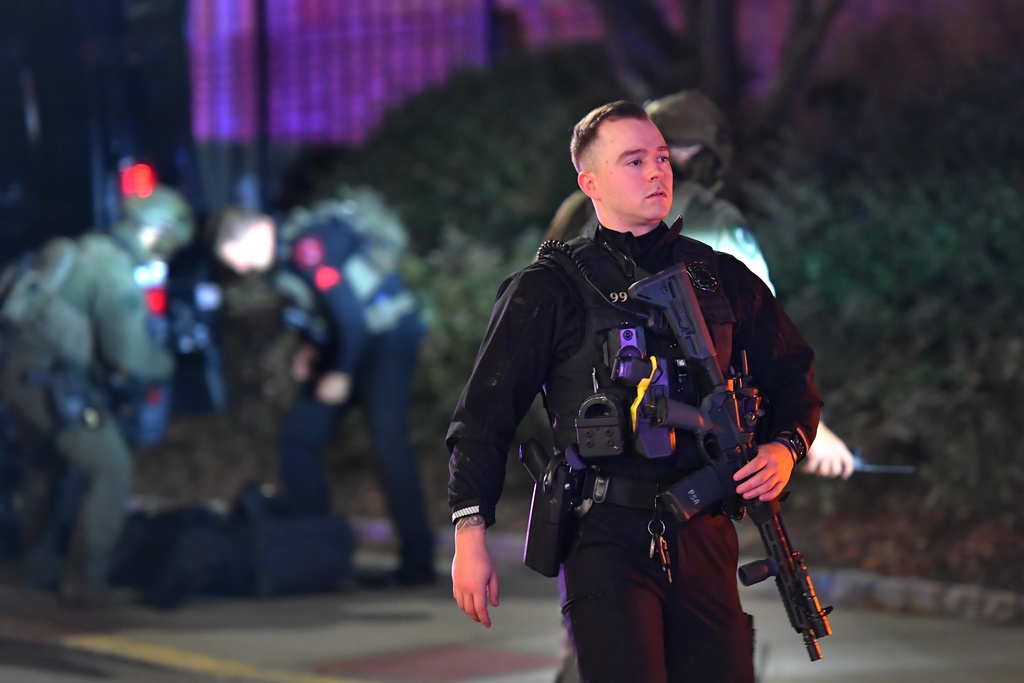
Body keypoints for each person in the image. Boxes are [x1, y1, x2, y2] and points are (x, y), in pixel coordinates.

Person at [447, 100, 822, 682]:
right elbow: (484, 415)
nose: (656, 172)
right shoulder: (548, 288)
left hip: (707, 532)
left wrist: (785, 448)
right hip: (605, 534)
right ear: (589, 182)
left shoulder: (720, 276)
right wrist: (470, 531)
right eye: (634, 160)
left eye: (662, 157)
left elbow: (792, 375)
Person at [545, 89, 854, 479]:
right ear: (703, 152)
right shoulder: (713, 216)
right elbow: (764, 335)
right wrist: (809, 432)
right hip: (682, 434)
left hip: (586, 434)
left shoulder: (582, 206)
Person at [209, 187, 436, 587]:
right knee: (299, 436)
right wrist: (313, 351)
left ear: (255, 232)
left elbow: (351, 319)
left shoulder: (309, 247)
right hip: (351, 343)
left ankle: (418, 563)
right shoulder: (288, 256)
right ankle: (315, 552)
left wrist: (341, 374)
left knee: (389, 444)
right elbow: (330, 315)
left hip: (387, 339)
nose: (244, 270)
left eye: (239, 258)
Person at [0, 184, 195, 604]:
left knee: (46, 464)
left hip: (17, 374)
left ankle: (38, 565)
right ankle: (85, 583)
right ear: (156, 234)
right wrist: (168, 360)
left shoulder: (77, 249)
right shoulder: (114, 273)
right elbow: (129, 356)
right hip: (52, 383)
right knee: (112, 470)